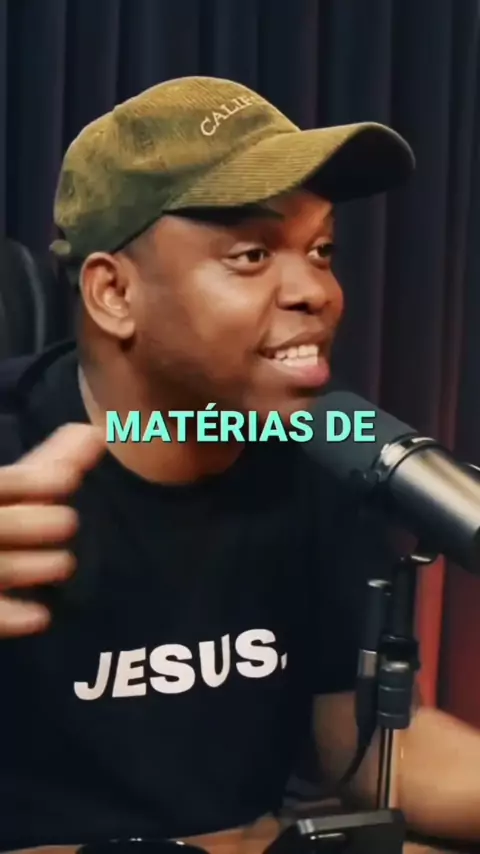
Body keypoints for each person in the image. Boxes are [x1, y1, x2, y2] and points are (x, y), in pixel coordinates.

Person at [0, 75, 479, 852]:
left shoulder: (321, 454)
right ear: (114, 292)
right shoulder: (13, 457)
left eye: (321, 250)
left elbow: (376, 751)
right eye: (253, 254)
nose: (316, 291)